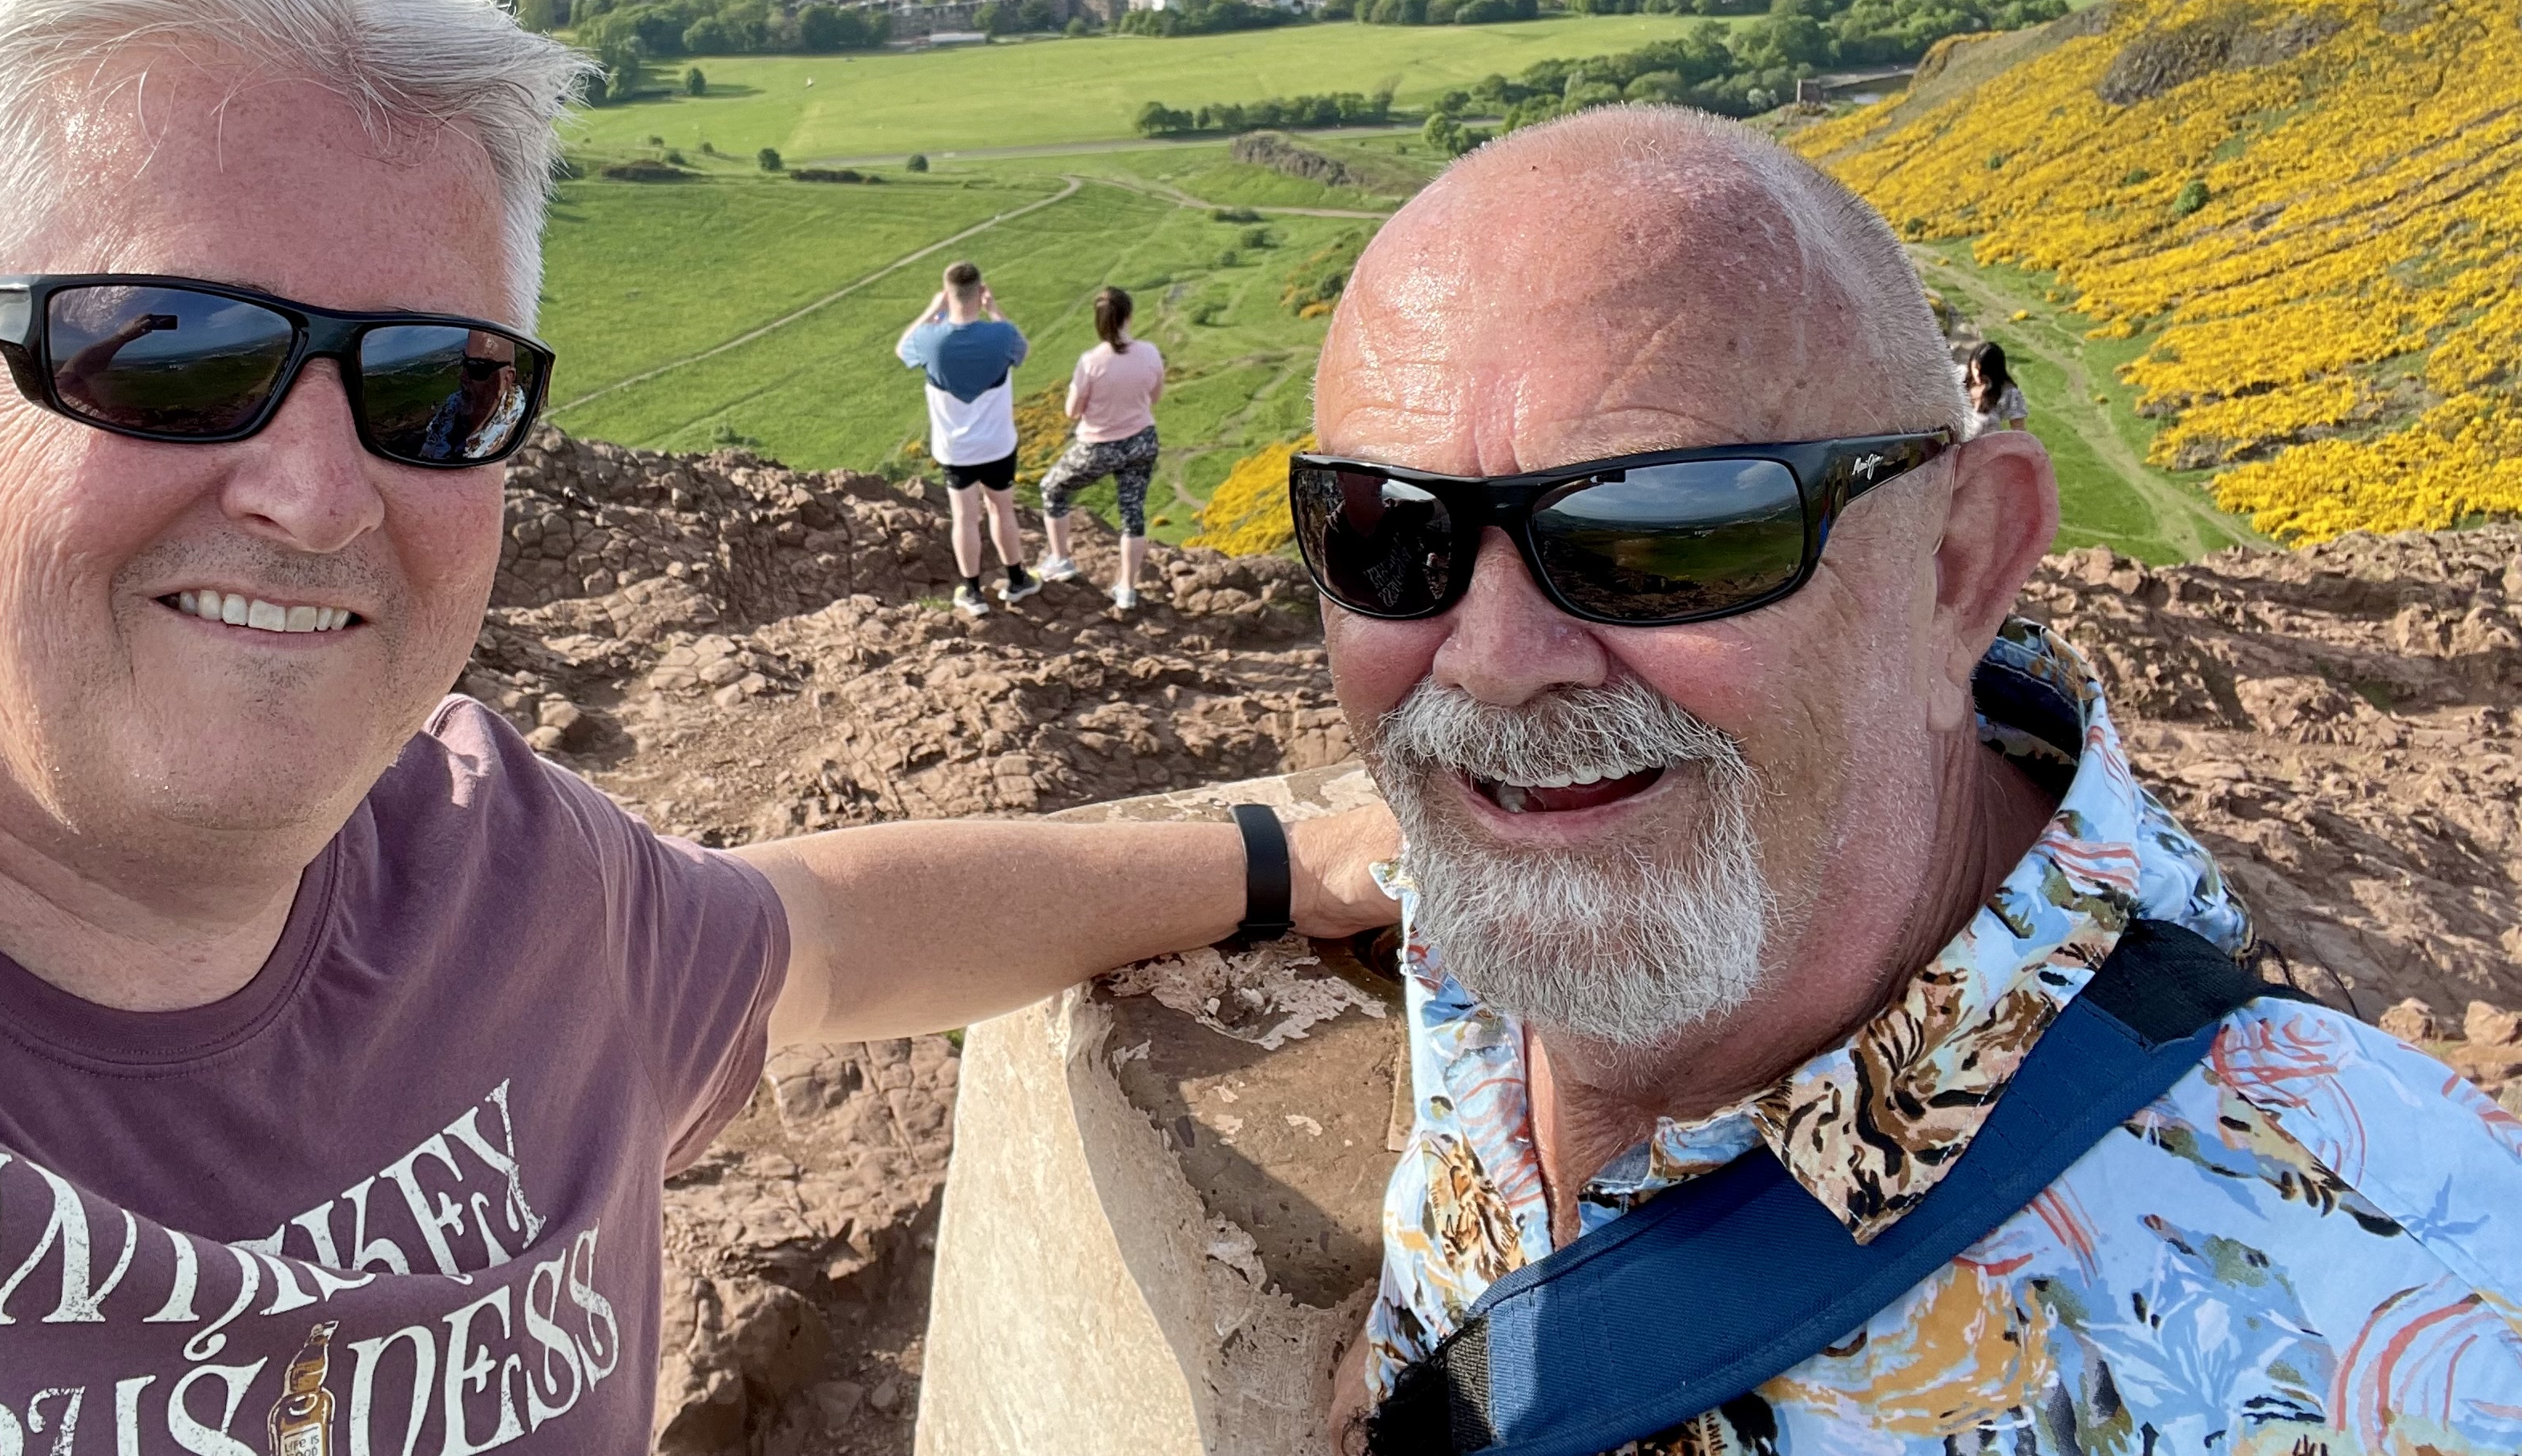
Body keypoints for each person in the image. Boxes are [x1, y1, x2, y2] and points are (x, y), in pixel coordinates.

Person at [0, 0, 1402, 1450]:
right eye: (164, 351)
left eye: (432, 388)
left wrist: (1274, 854)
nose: (315, 492)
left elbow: (817, 943)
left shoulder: (494, 884)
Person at [1307, 105, 2522, 1455]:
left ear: (1960, 565)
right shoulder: (1532, 860)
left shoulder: (2405, 1345)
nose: (1488, 662)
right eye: (1384, 532)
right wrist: (1274, 862)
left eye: (1658, 531)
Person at [896, 260, 1033, 616]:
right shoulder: (1001, 336)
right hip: (998, 445)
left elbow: (902, 349)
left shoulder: (930, 341)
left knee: (964, 516)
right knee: (1002, 509)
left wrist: (932, 311)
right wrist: (995, 310)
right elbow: (1022, 349)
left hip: (955, 450)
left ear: (948, 293)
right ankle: (1017, 580)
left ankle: (972, 592)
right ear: (980, 291)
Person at [1035, 284, 1164, 613]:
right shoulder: (1150, 353)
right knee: (1132, 514)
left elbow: (1072, 411)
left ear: (1099, 321)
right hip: (1142, 440)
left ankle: (1061, 559)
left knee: (1052, 489)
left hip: (1099, 446)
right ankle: (1127, 589)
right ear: (1129, 315)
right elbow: (1155, 396)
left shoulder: (1091, 362)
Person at [1965, 337, 2030, 432]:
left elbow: (2018, 431)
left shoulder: (2008, 392)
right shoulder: (1960, 379)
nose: (1978, 375)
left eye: (1984, 372)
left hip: (1987, 440)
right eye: (1975, 368)